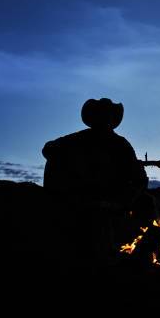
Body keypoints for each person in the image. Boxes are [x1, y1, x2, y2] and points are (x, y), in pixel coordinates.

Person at [42, 98, 149, 267]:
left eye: (106, 116)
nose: (103, 120)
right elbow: (49, 149)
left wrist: (123, 201)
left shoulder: (121, 145)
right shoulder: (77, 140)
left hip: (109, 202)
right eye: (101, 115)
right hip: (77, 199)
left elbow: (139, 179)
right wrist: (77, 173)